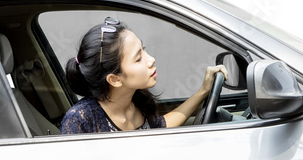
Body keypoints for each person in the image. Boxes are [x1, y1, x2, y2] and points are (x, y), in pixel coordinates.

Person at [60, 16, 226, 134]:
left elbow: (161, 127)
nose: (151, 60)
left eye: (143, 49)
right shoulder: (80, 120)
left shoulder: (138, 99)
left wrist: (203, 91)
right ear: (115, 79)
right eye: (138, 58)